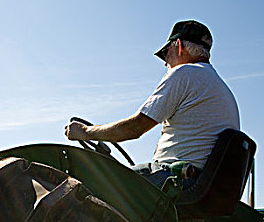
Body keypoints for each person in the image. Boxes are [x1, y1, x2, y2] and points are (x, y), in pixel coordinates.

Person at [64, 20, 240, 188]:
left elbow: (134, 128)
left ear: (178, 46)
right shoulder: (219, 86)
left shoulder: (184, 73)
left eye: (166, 53)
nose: (165, 62)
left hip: (176, 179)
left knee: (88, 182)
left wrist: (86, 132)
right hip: (203, 183)